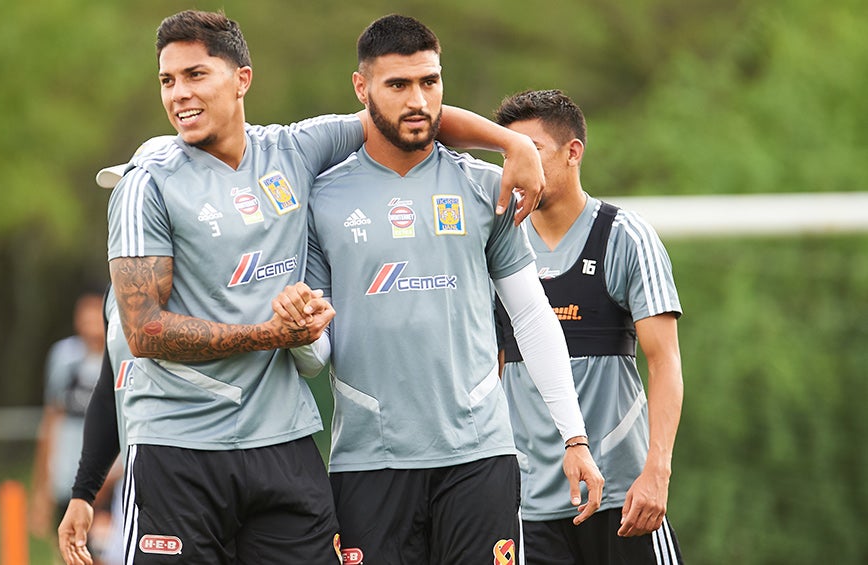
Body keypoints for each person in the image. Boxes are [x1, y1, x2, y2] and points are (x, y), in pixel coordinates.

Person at [70, 9, 554, 565]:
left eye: (196, 75)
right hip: (180, 449)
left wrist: (512, 146)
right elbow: (144, 332)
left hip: (284, 442)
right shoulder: (147, 181)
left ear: (242, 79)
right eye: (167, 80)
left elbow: (406, 113)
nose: (179, 93)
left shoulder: (293, 150)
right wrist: (269, 334)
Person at [273, 16, 604, 564]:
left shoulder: (482, 187)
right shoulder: (322, 200)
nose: (417, 100)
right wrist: (301, 335)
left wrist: (574, 437)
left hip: (479, 458)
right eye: (398, 85)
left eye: (430, 82)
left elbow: (531, 316)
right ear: (362, 89)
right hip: (368, 463)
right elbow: (314, 359)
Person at [492, 89, 685, 564]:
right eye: (507, 154)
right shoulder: (496, 246)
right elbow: (491, 372)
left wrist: (656, 473)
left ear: (573, 152)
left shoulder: (625, 237)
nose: (516, 166)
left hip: (624, 499)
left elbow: (664, 363)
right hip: (529, 509)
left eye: (530, 151)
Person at [29, 290, 115, 559]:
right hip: (67, 479)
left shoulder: (122, 353)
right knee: (69, 551)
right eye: (84, 313)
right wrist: (42, 489)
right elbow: (51, 420)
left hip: (112, 483)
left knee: (106, 553)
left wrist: (112, 477)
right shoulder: (64, 357)